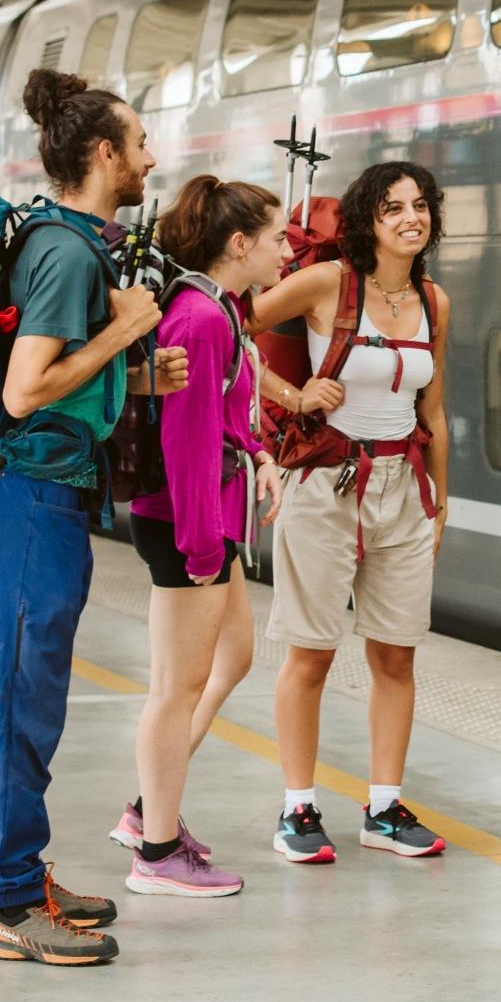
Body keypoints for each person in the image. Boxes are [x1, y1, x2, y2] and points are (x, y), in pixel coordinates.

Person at [0, 68, 186, 965]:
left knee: (36, 696)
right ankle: (12, 900)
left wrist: (131, 375)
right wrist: (124, 335)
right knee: (23, 700)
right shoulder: (66, 251)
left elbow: (61, 376)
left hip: (46, 492)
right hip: (32, 496)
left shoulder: (70, 241)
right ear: (104, 154)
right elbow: (25, 390)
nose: (150, 157)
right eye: (139, 143)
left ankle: (25, 873)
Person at [249, 161, 451, 863]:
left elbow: (435, 408)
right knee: (311, 654)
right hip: (327, 482)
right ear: (368, 219)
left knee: (396, 653)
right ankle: (297, 808)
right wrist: (292, 392)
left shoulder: (434, 300)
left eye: (420, 206)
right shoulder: (329, 283)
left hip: (404, 485)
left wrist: (442, 498)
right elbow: (231, 325)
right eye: (393, 207)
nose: (410, 218)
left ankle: (384, 807)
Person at [109, 176, 288, 898]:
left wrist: (262, 456)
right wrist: (202, 549)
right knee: (174, 688)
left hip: (214, 514)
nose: (288, 248)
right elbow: (186, 443)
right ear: (239, 244)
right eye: (277, 237)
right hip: (190, 523)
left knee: (234, 652)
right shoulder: (201, 318)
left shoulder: (222, 309)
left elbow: (226, 414)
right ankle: (153, 846)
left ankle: (154, 807)